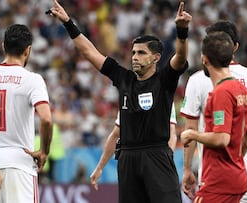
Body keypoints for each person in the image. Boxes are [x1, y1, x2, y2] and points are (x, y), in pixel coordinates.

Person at [48, 1, 191, 202]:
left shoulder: (164, 80)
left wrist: (182, 32)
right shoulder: (124, 78)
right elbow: (89, 52)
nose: (135, 57)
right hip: (127, 157)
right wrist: (68, 23)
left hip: (157, 155)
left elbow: (180, 58)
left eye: (141, 53)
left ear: (156, 58)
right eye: (133, 52)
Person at [180, 20, 247, 203]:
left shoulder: (209, 87)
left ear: (205, 57)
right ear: (234, 48)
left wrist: (192, 136)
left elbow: (221, 137)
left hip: (218, 179)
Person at [0, 24, 53, 203]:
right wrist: (44, 151)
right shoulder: (32, 80)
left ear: (3, 46)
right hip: (19, 165)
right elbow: (46, 119)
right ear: (28, 50)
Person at [90, 103, 178, 191]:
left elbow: (171, 132)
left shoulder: (164, 95)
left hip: (154, 159)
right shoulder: (127, 96)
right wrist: (99, 167)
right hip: (136, 162)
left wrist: (167, 162)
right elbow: (116, 134)